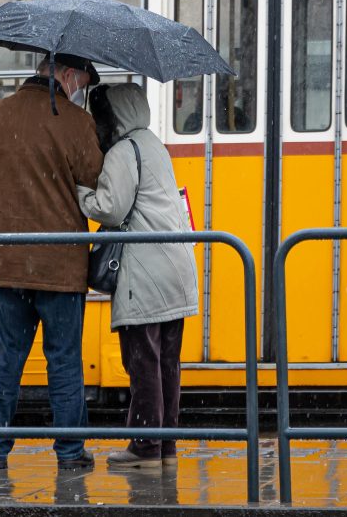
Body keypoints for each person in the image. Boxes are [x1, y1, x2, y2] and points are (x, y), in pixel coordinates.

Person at [0, 52, 104, 471]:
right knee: (64, 361)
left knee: (5, 357)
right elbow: (97, 185)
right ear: (67, 74)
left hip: (6, 267)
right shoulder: (77, 123)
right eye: (82, 80)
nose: (81, 89)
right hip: (61, 270)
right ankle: (70, 453)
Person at [76, 83, 199, 469]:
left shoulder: (123, 151)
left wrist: (80, 192)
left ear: (114, 117)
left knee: (142, 361)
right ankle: (165, 447)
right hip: (176, 269)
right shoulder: (154, 145)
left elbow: (110, 210)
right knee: (167, 363)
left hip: (145, 271)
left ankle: (145, 447)